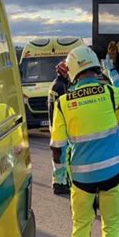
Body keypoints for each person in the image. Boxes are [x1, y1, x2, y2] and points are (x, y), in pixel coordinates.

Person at [50, 46, 119, 237]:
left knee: (81, 226)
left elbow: (57, 148)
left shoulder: (63, 103)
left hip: (82, 177)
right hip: (112, 174)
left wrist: (59, 176)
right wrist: (110, 69)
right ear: (96, 66)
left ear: (73, 71)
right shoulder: (110, 93)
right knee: (111, 226)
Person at [47, 60, 71, 195]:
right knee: (62, 156)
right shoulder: (61, 86)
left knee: (58, 156)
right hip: (60, 126)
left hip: (54, 124)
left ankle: (59, 181)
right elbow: (65, 108)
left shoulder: (54, 85)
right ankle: (60, 183)